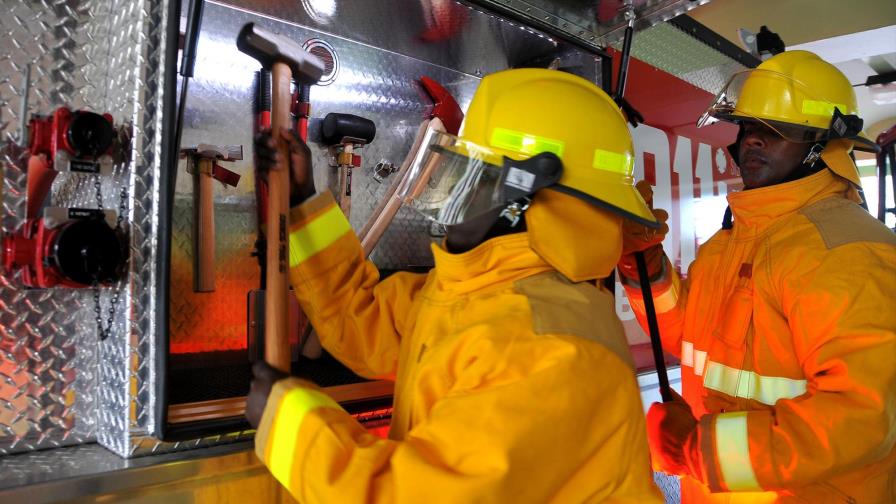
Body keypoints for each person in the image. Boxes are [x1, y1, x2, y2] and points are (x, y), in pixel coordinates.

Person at [245, 68, 664, 503]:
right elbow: (361, 318)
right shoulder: (476, 292)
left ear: (526, 193)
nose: (451, 195)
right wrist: (304, 200)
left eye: (473, 176)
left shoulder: (551, 350)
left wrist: (288, 424)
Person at [619, 50, 896, 503]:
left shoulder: (845, 250)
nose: (751, 141)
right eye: (748, 127)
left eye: (775, 130)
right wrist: (645, 267)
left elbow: (859, 419)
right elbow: (687, 337)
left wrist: (696, 449)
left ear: (822, 144)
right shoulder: (730, 242)